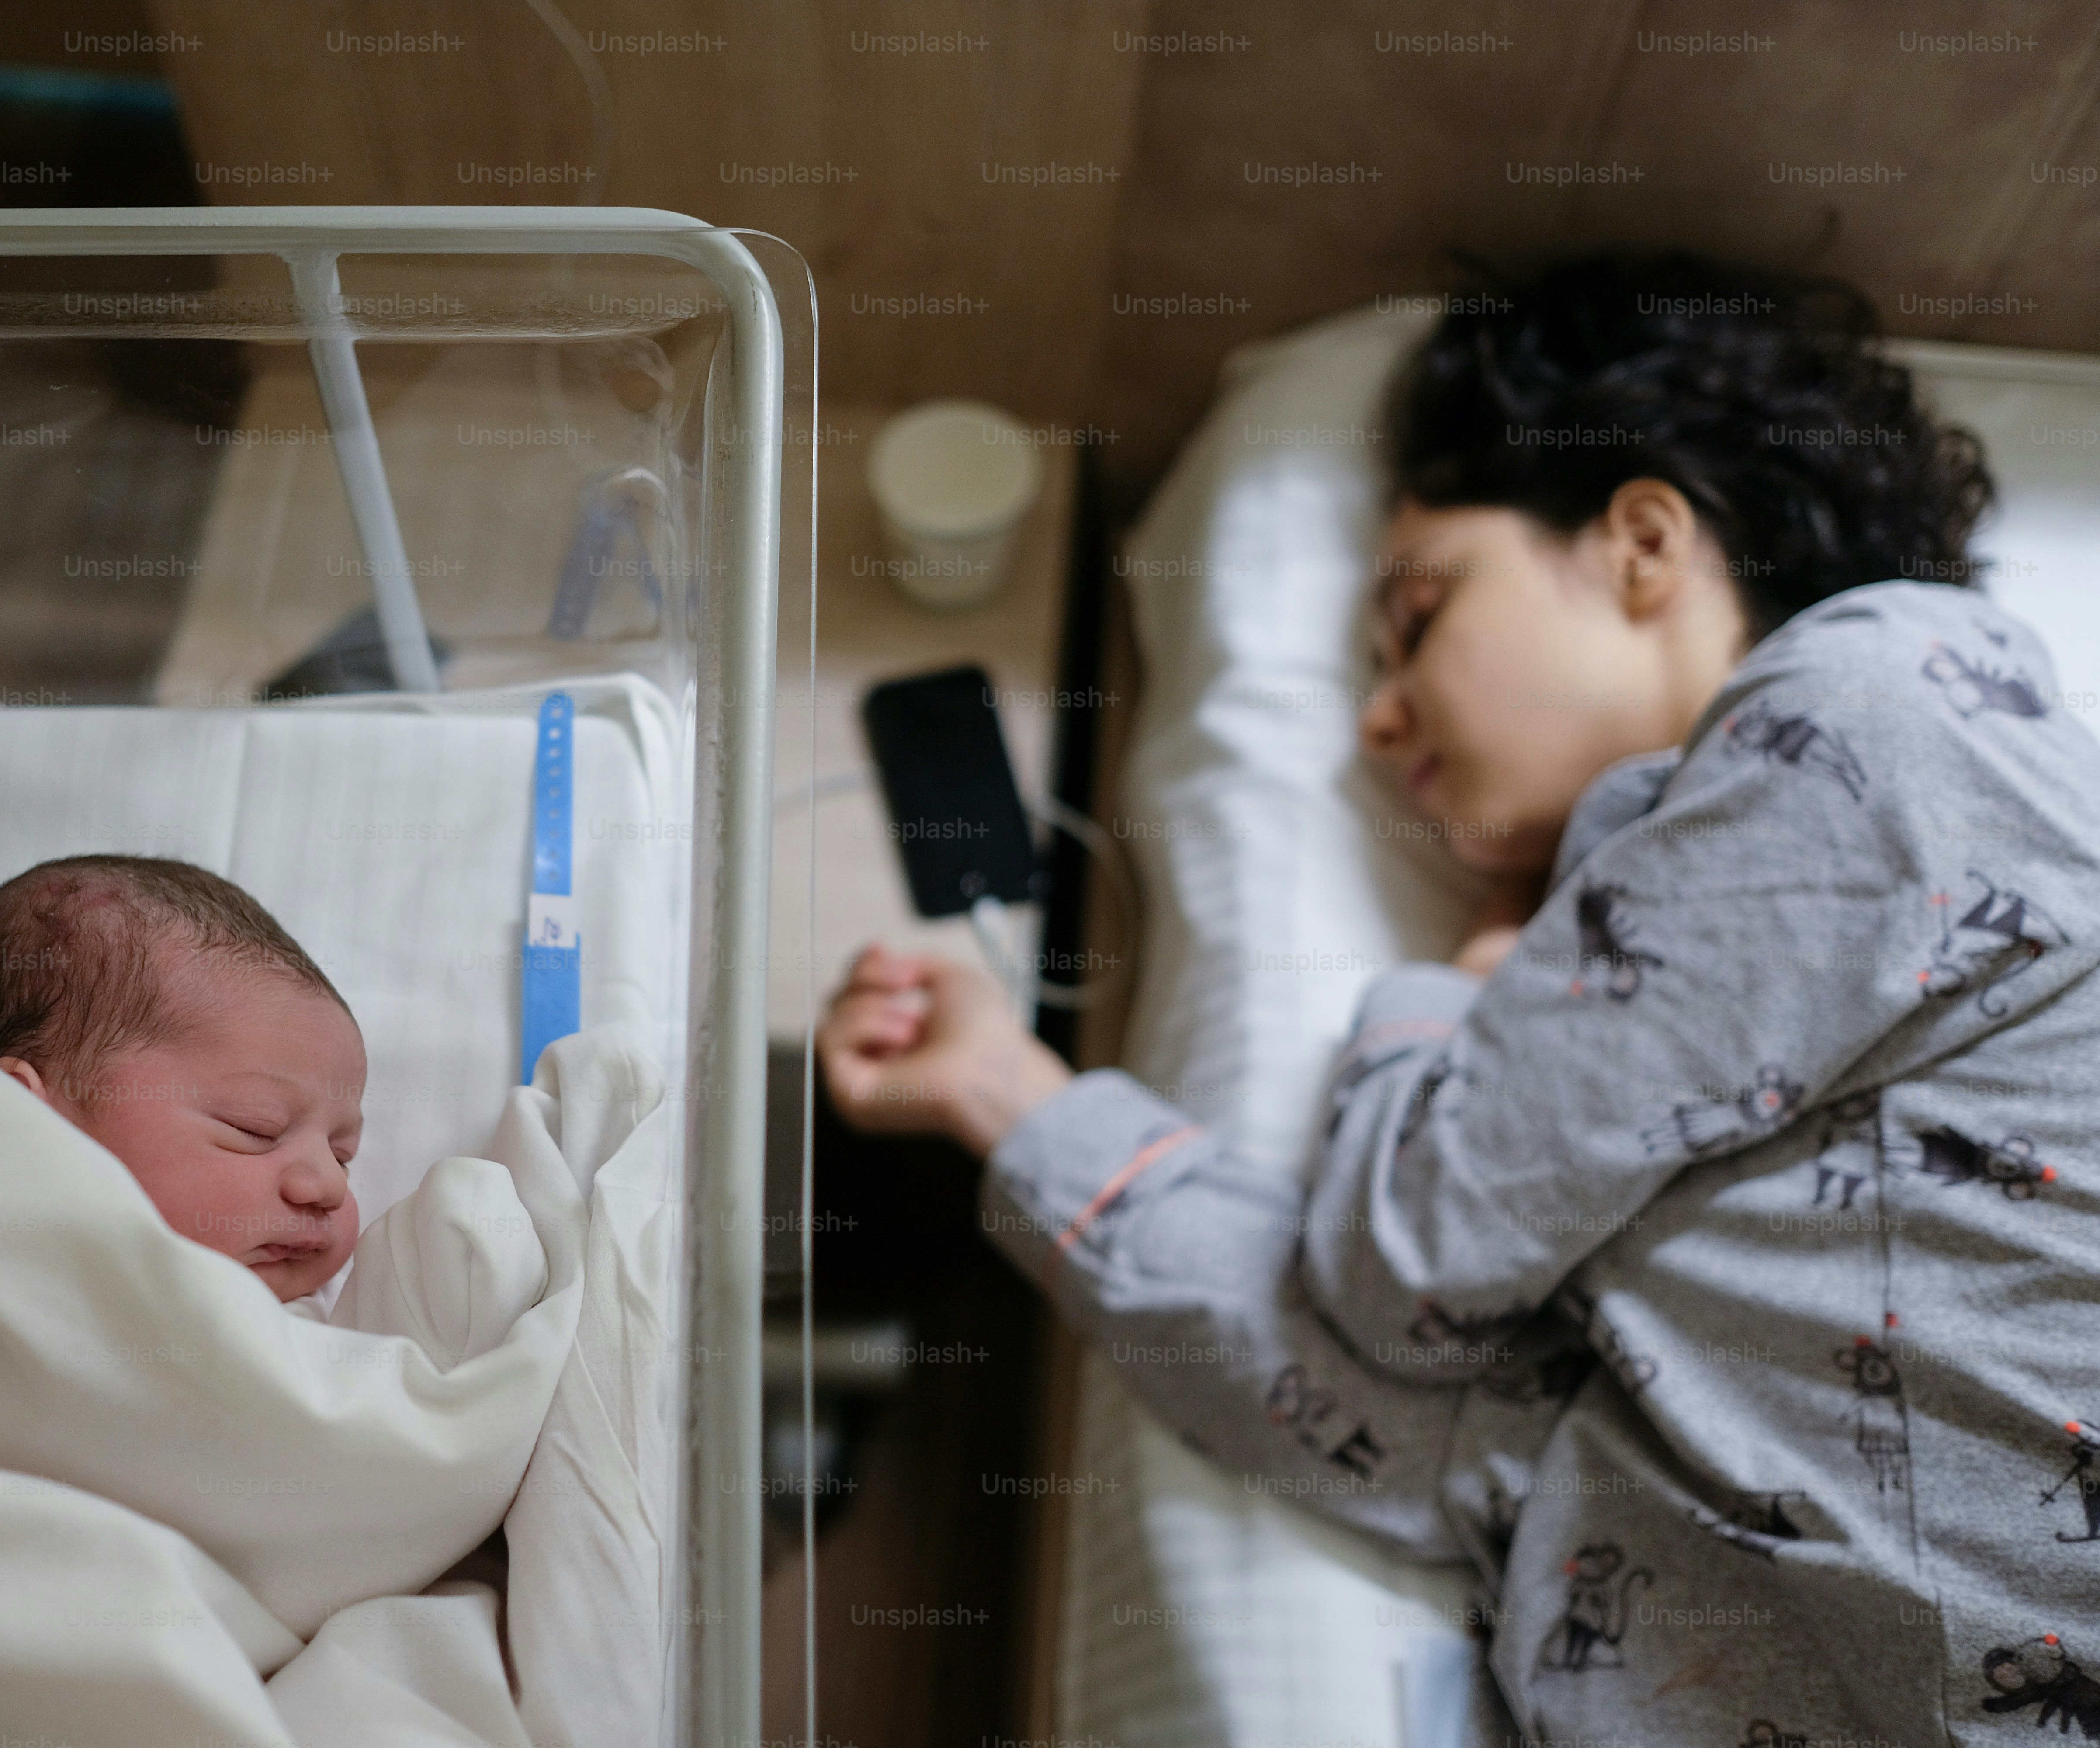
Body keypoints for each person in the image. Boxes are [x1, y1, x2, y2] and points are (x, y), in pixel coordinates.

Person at [820, 250, 2100, 1742]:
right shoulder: (1686, 1208)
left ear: (1640, 542)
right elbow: (1401, 1419)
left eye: (1419, 617)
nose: (1373, 720)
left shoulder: (1887, 708)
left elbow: (1400, 1276)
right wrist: (1007, 1101)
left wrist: (1454, 986)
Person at [0, 853, 367, 1304]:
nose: (330, 1188)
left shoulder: (335, 1326)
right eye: (255, 1129)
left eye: (342, 1156)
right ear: (20, 1119)